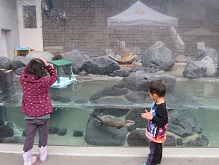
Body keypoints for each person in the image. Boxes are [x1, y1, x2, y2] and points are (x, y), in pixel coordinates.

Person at [20, 58, 58, 165]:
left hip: (29, 116)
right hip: (43, 115)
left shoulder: (23, 80)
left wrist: (30, 63)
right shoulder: (44, 81)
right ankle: (42, 156)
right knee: (43, 135)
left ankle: (27, 161)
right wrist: (47, 65)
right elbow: (54, 76)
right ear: (41, 70)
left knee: (29, 137)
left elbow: (23, 72)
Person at [141, 80, 168, 165]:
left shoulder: (161, 107)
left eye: (149, 93)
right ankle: (157, 160)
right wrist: (150, 115)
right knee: (158, 148)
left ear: (155, 95)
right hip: (157, 134)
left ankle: (151, 163)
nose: (149, 95)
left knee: (153, 150)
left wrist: (151, 117)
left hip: (157, 134)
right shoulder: (159, 103)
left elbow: (163, 121)